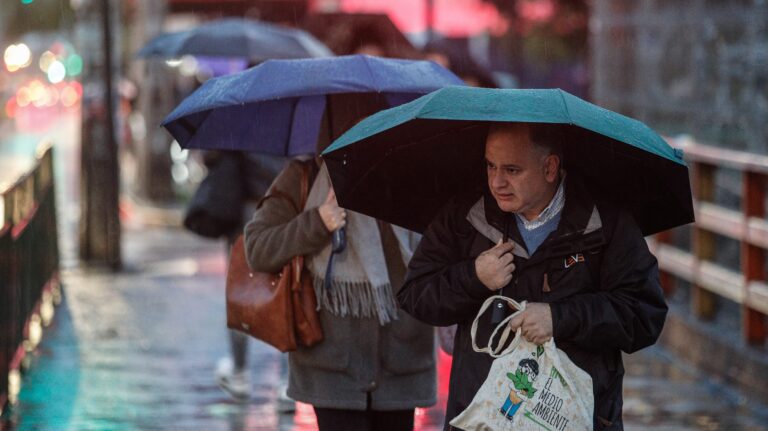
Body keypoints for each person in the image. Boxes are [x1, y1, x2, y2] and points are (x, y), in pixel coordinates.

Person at [397, 122, 668, 430]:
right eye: (490, 166)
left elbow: (644, 313)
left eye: (512, 170)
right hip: (482, 416)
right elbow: (414, 293)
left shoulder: (606, 222)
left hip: (575, 414)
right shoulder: (465, 215)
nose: (497, 182)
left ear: (550, 167)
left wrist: (560, 317)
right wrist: (473, 277)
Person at [243, 93, 436, 431]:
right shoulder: (303, 176)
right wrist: (317, 222)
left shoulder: (412, 176)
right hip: (331, 370)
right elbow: (258, 249)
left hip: (403, 365)